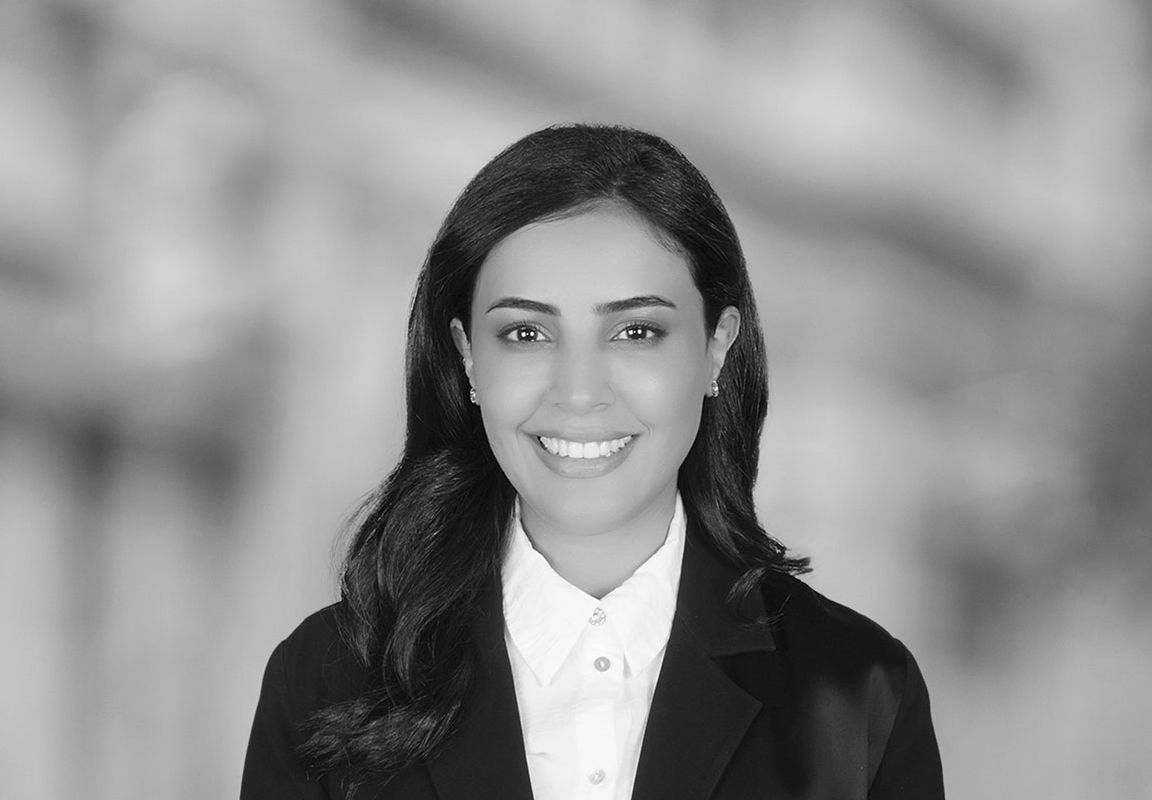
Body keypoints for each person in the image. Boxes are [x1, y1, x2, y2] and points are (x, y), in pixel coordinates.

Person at [240, 124, 944, 799]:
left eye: (635, 332)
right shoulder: (326, 678)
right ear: (467, 357)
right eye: (526, 333)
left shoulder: (858, 692)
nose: (579, 393)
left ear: (717, 347)